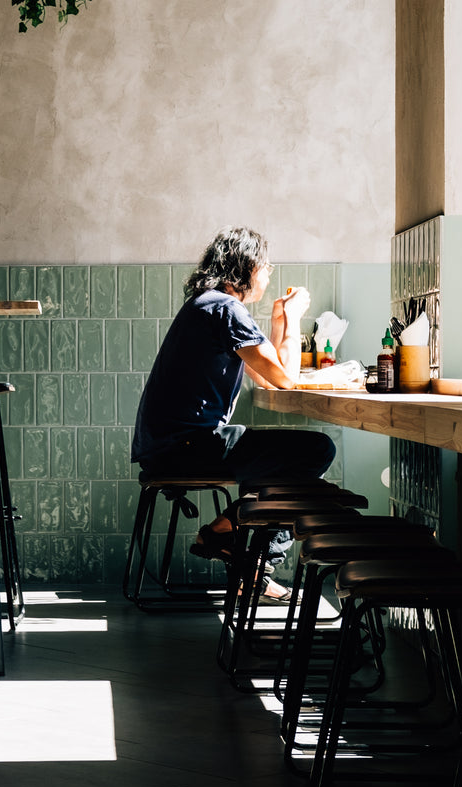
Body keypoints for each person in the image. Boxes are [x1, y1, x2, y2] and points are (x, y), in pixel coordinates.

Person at [131, 226, 335, 589]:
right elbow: (285, 379)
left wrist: (276, 323)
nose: (269, 273)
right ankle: (245, 546)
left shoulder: (208, 305)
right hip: (186, 447)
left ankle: (236, 541)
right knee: (317, 451)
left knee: (276, 463)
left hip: (170, 447)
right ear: (247, 267)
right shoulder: (225, 308)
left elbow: (265, 376)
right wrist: (293, 318)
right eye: (266, 265)